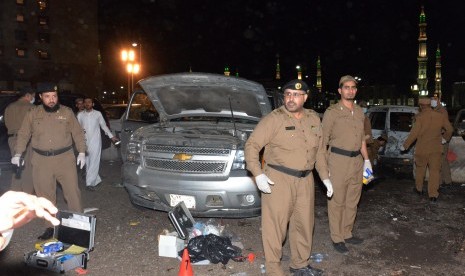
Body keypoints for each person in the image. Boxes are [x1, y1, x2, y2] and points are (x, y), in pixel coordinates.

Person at [245, 79, 332, 276]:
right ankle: (274, 270)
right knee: (275, 228)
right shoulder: (274, 119)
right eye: (288, 94)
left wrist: (325, 178)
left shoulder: (314, 119)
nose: (291, 98)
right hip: (278, 179)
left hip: (305, 180)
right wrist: (258, 174)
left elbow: (319, 152)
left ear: (305, 97)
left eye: (296, 95)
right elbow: (252, 146)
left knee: (304, 225)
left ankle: (300, 264)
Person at [12, 83, 86, 240]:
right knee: (45, 196)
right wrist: (18, 154)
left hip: (65, 159)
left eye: (54, 96)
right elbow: (24, 133)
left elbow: (78, 133)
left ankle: (79, 225)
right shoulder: (33, 113)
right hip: (41, 161)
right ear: (40, 97)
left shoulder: (67, 112)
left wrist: (81, 152)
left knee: (72, 193)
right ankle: (50, 227)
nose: (52, 100)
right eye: (47, 97)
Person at [321, 75, 372, 254]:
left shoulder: (359, 112)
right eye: (347, 87)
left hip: (357, 161)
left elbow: (361, 140)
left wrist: (367, 161)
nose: (350, 90)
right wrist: (323, 167)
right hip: (338, 161)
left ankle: (347, 232)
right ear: (340, 90)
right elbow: (323, 141)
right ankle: (337, 237)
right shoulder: (332, 112)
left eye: (353, 87)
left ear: (356, 90)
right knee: (337, 201)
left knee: (353, 200)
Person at [401, 96, 453, 202]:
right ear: (430, 105)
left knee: (420, 170)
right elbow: (450, 129)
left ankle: (419, 189)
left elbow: (414, 134)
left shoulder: (419, 117)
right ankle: (433, 195)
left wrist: (405, 145)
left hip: (422, 149)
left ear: (421, 106)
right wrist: (444, 139)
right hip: (436, 149)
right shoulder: (440, 116)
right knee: (435, 172)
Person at [77, 97, 118, 191]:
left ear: (93, 104)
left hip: (95, 141)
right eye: (85, 102)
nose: (87, 104)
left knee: (94, 161)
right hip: (85, 141)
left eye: (89, 102)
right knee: (87, 162)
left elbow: (104, 126)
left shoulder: (97, 114)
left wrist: (112, 137)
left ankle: (89, 183)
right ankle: (95, 179)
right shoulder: (80, 115)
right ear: (84, 104)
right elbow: (77, 129)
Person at [4, 87, 36, 194]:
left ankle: (15, 196)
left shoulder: (9, 107)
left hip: (12, 139)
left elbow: (6, 123)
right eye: (33, 96)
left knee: (17, 168)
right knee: (28, 171)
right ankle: (27, 198)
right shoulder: (32, 108)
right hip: (27, 141)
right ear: (28, 95)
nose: (33, 98)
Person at [431, 94, 453, 188]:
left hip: (441, 139)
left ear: (438, 100)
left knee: (438, 161)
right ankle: (447, 182)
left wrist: (445, 138)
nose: (432, 101)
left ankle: (439, 182)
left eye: (434, 100)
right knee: (443, 161)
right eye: (431, 100)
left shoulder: (441, 111)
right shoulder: (435, 110)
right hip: (438, 138)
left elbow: (445, 126)